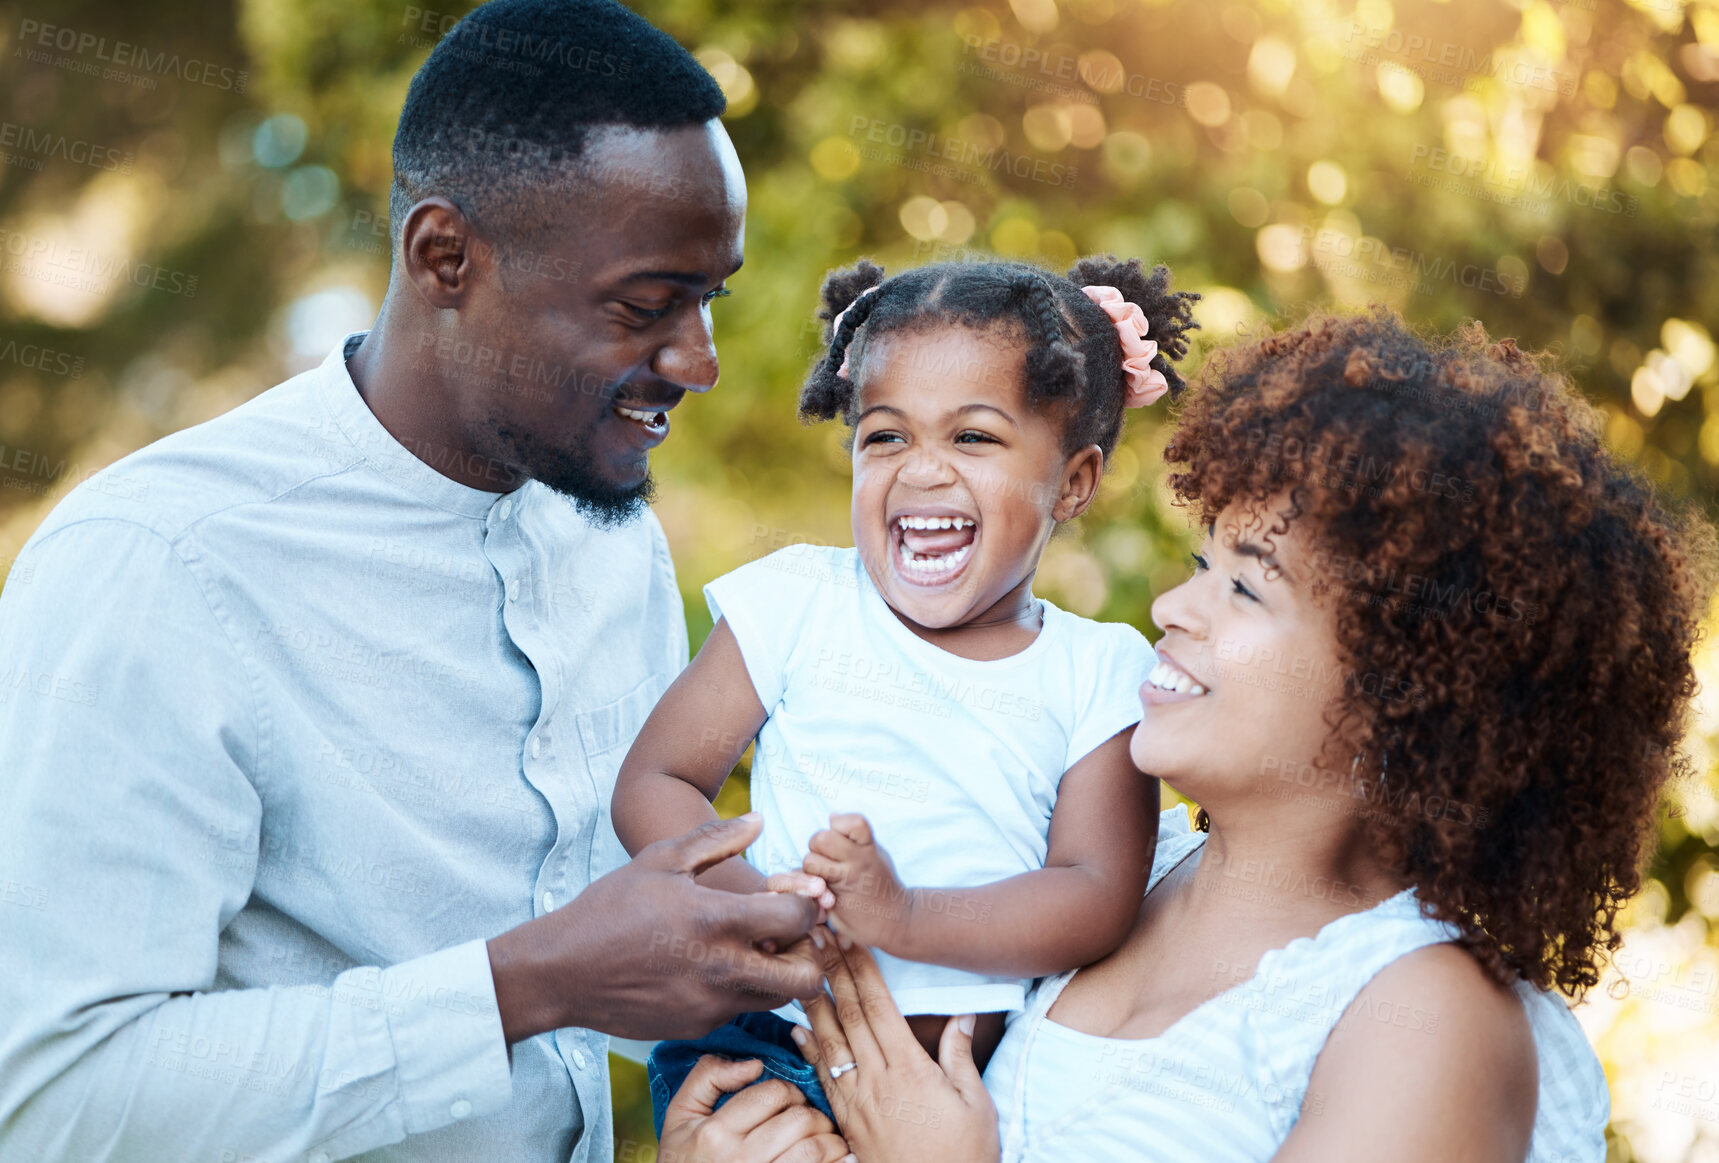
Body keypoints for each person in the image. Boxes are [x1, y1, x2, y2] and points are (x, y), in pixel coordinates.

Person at [0, 3, 849, 1162]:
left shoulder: (610, 539)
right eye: (647, 306)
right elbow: (55, 1098)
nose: (698, 359)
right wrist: (528, 982)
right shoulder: (159, 567)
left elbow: (621, 985)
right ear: (445, 256)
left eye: (714, 299)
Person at [787, 308, 1716, 1162]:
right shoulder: (1097, 880)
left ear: (1407, 691)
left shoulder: (1423, 1013)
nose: (1169, 607)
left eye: (1246, 586)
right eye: (1202, 560)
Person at [613, 256, 1202, 1131]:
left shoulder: (1098, 670)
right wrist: (759, 905)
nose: (921, 471)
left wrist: (903, 914)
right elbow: (654, 783)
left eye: (972, 437)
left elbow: (1094, 894)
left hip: (971, 1092)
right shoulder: (795, 603)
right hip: (772, 1050)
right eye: (884, 436)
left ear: (1072, 482)